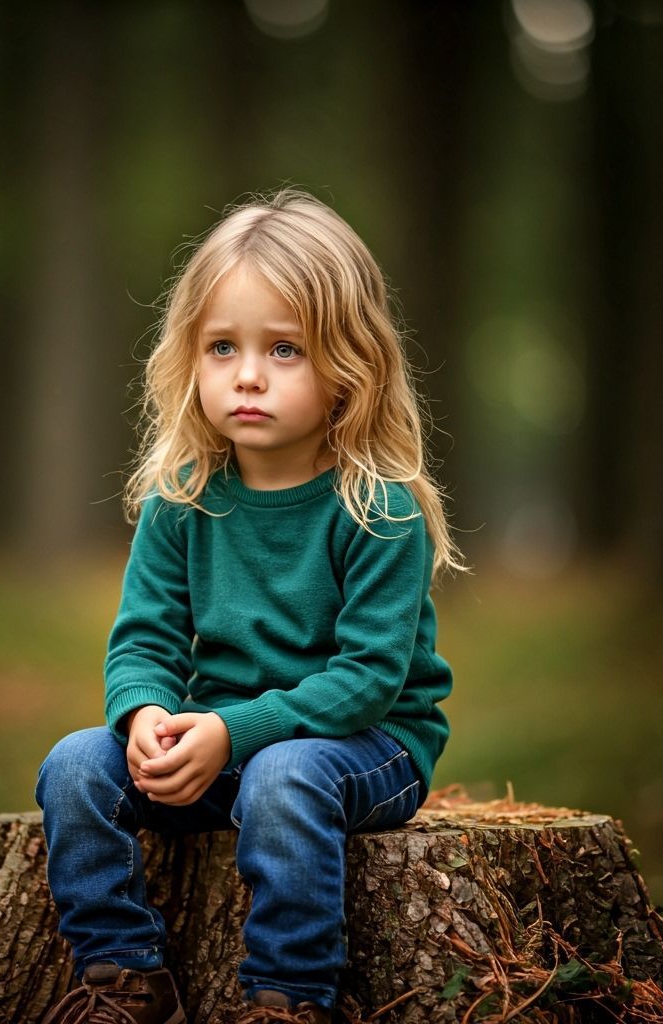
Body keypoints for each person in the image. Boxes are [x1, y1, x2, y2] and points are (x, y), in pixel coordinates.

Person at [36, 189, 464, 1024]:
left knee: (284, 774)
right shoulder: (184, 500)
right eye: (223, 347)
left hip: (368, 745)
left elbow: (369, 678)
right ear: (188, 359)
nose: (249, 376)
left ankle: (288, 996)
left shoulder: (378, 506)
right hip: (224, 738)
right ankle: (124, 978)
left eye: (286, 350)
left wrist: (235, 731)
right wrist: (148, 715)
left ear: (351, 364)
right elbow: (144, 641)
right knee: (74, 765)